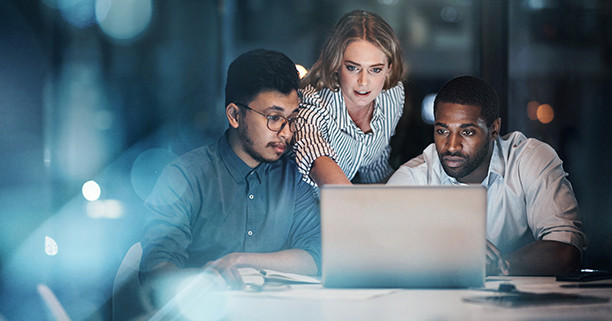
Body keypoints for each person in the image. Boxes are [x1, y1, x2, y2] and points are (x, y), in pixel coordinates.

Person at [139, 49, 321, 294]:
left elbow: (315, 255)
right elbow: (156, 269)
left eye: (292, 119)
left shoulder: (295, 176)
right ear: (235, 115)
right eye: (274, 117)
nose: (286, 132)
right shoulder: (185, 177)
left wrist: (240, 261)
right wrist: (202, 282)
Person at [388, 75, 586, 276]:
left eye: (467, 132)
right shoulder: (412, 179)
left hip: (522, 305)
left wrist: (490, 266)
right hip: (440, 306)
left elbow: (566, 251)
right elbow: (382, 256)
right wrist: (445, 254)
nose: (452, 146)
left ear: (494, 130)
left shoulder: (529, 160)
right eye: (442, 131)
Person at [293, 10, 406, 191]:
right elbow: (317, 161)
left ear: (389, 69)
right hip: (304, 212)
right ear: (336, 64)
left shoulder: (392, 96)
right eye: (353, 68)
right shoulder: (312, 104)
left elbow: (374, 167)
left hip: (352, 206)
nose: (363, 81)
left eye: (375, 70)